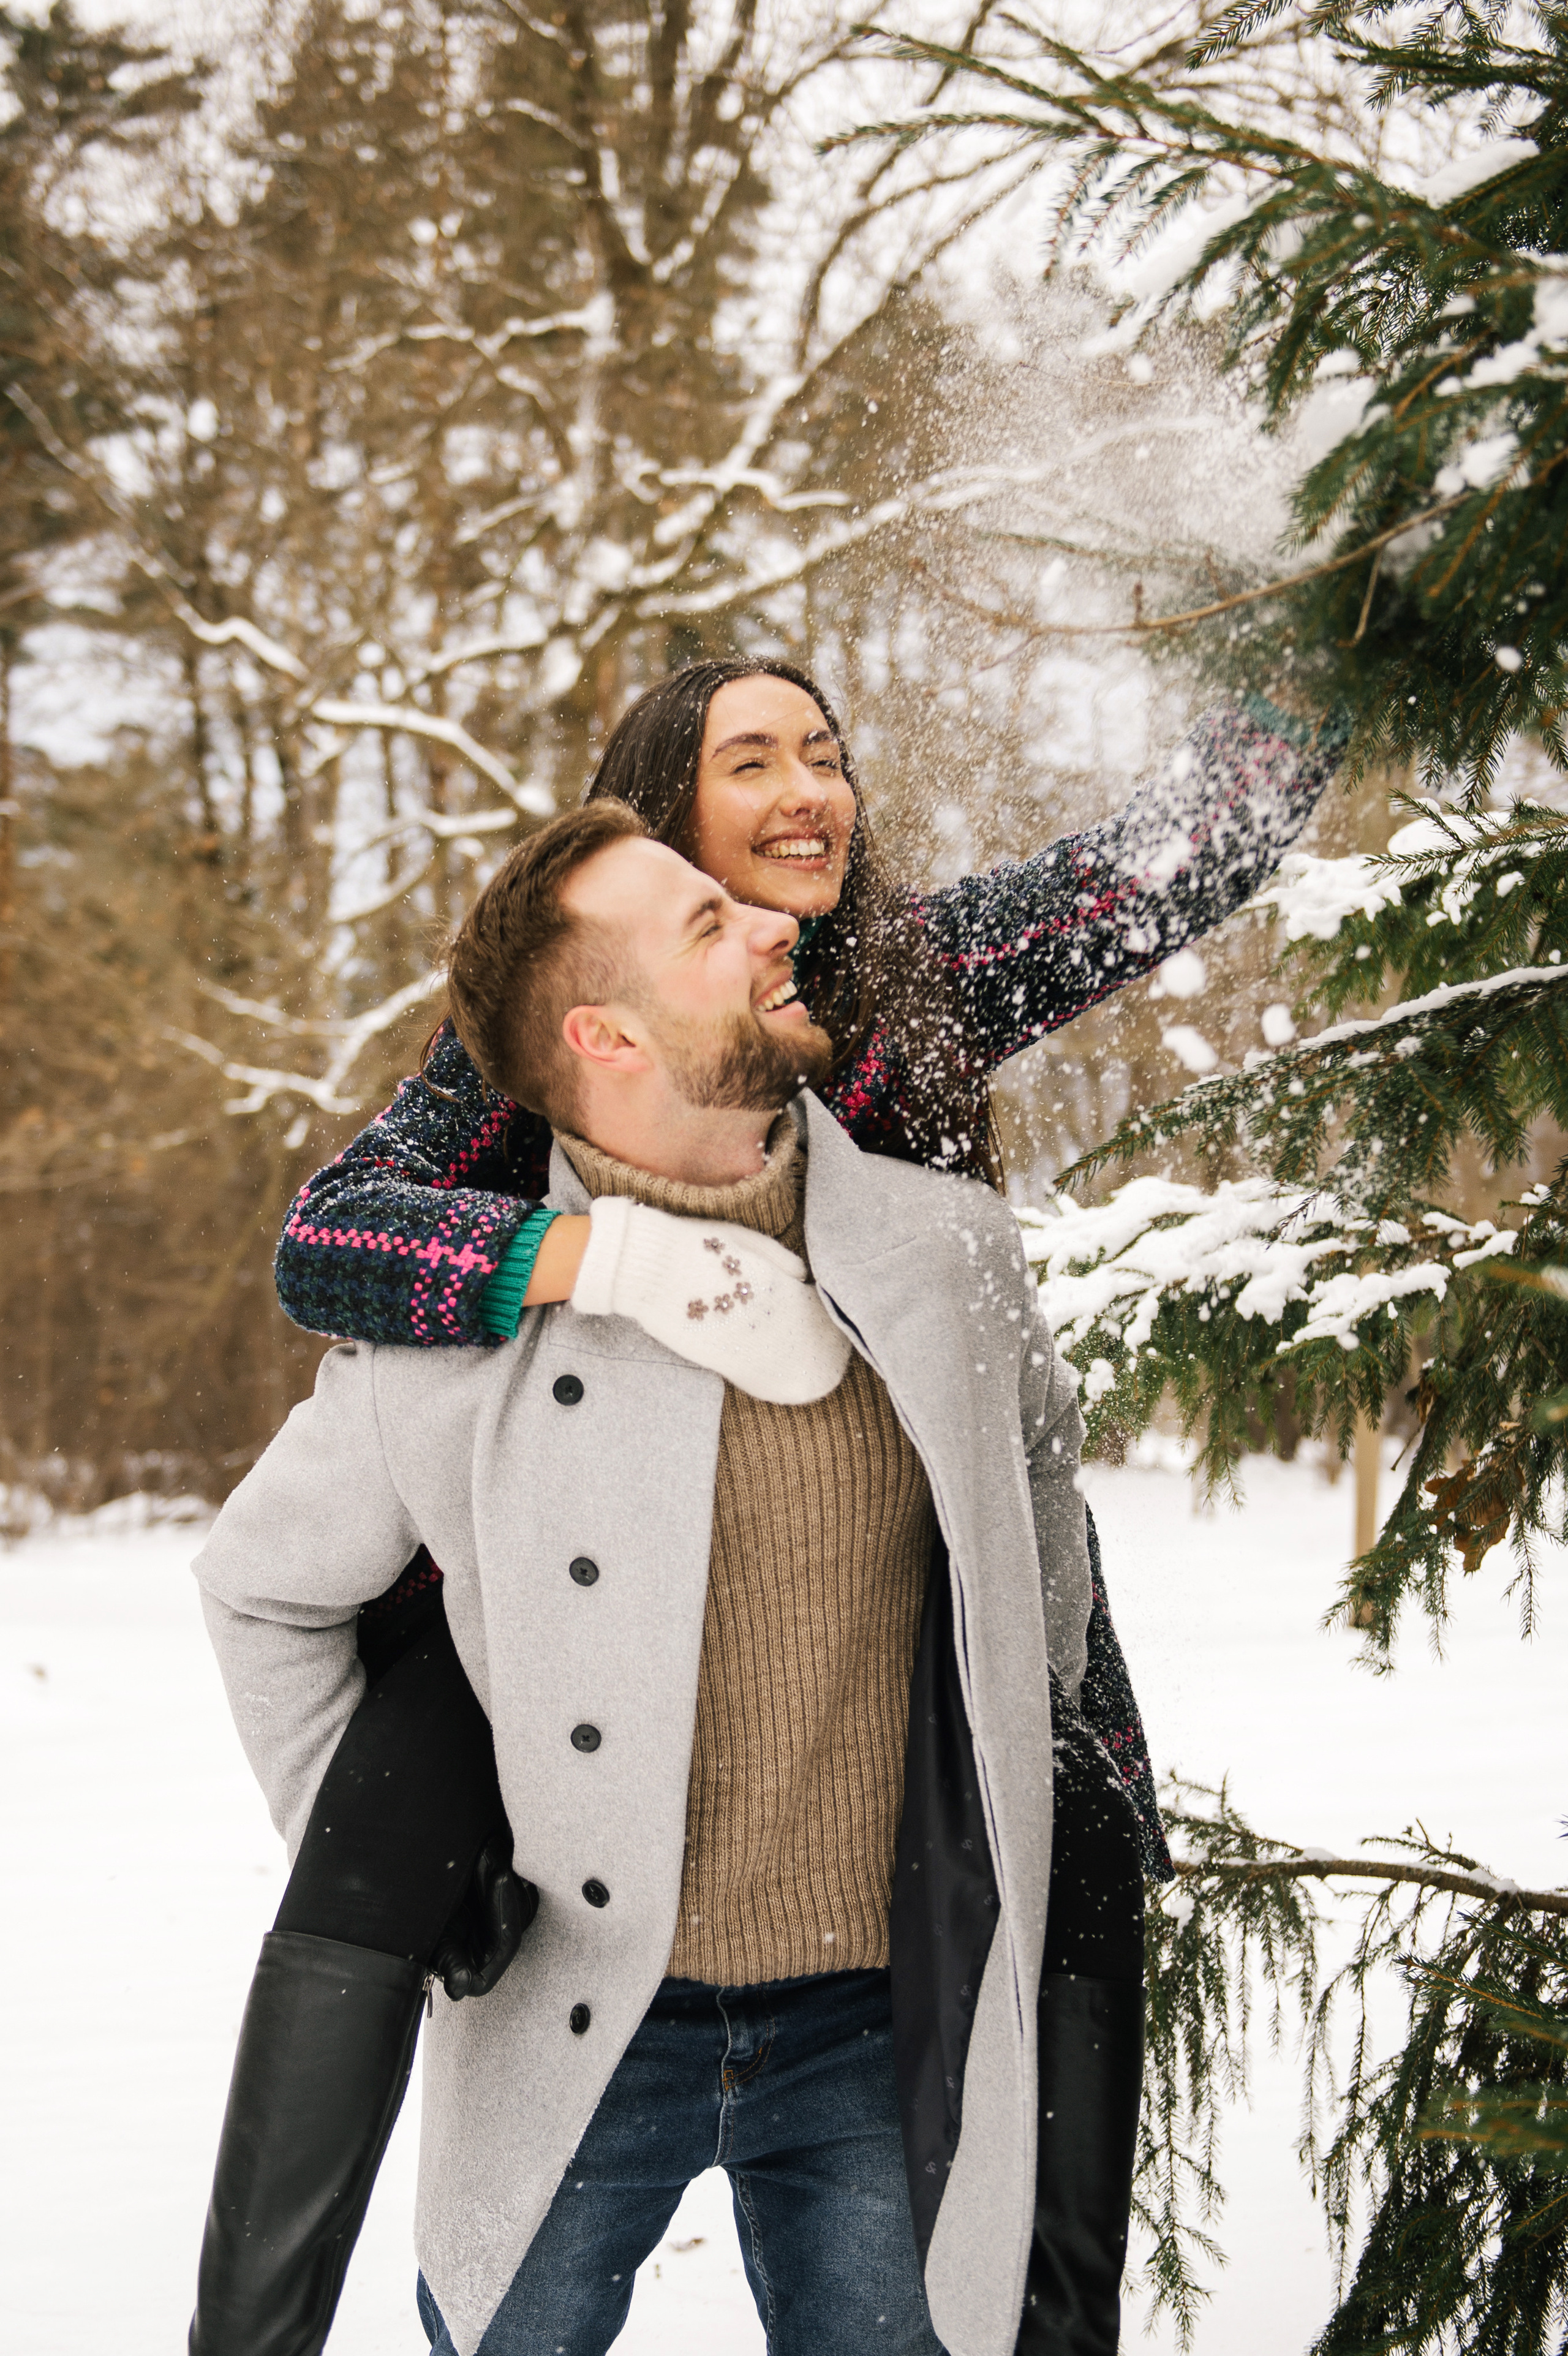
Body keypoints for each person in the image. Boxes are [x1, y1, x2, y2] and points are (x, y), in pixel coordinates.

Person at [192, 800, 1145, 2356]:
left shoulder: (947, 1253)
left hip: (877, 2028)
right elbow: (260, 1590)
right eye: (709, 927)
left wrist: (1016, 1728)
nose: (775, 924)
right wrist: (418, 1889)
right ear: (606, 1035)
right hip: (569, 2028)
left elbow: (1037, 1475)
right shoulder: (461, 1340)